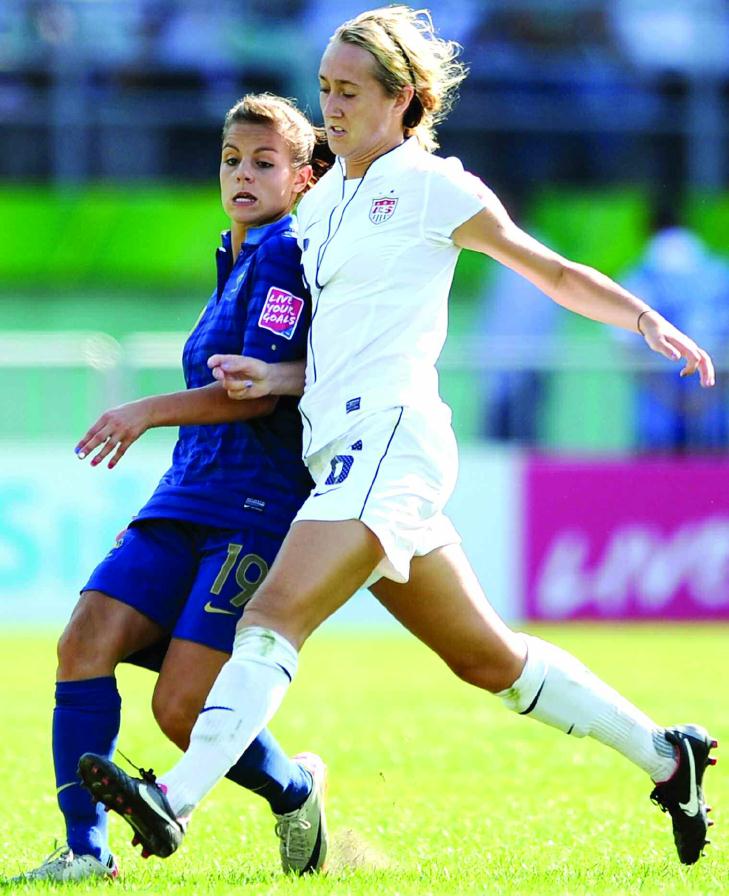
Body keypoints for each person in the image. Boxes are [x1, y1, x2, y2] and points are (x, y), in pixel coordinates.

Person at [79, 6, 717, 870]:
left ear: (404, 98)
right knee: (488, 660)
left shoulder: (430, 185)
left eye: (349, 90)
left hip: (389, 441)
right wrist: (277, 378)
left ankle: (175, 800)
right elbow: (337, 344)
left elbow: (548, 268)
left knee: (272, 616)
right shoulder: (321, 204)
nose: (331, 107)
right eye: (324, 88)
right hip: (338, 451)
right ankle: (667, 757)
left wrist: (642, 318)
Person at [17, 93, 332, 883]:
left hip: (254, 508)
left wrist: (144, 410)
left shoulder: (286, 255)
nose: (242, 174)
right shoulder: (233, 257)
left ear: (302, 177)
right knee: (84, 640)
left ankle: (296, 792)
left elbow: (254, 393)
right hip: (184, 497)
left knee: (182, 710)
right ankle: (85, 853)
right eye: (231, 160)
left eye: (264, 162)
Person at [616, 202, 729, 452]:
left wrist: (669, 398)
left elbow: (628, 347)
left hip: (658, 411)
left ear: (648, 229)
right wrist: (706, 394)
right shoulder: (720, 272)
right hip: (714, 409)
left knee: (659, 474)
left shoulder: (639, 275)